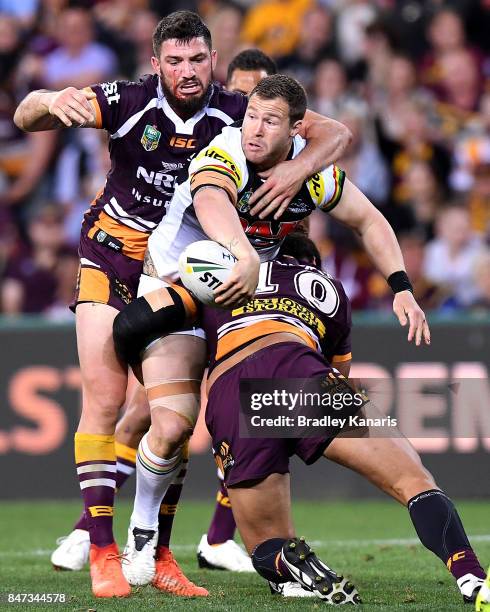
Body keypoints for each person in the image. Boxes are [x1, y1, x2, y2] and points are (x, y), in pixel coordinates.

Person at [14, 9, 351, 596]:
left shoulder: (237, 110)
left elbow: (334, 133)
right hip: (112, 259)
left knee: (173, 421)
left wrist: (296, 171)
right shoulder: (127, 100)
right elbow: (25, 115)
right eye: (175, 61)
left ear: (213, 60)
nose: (187, 71)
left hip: (184, 275)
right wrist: (49, 97)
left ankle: (158, 552)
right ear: (156, 64)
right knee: (105, 398)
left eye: (197, 59)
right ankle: (99, 549)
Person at [112, 73, 429, 588]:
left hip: (244, 290)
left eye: (269, 120)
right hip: (185, 277)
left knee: (240, 413)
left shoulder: (312, 173)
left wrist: (401, 286)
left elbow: (369, 219)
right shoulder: (225, 152)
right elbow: (213, 199)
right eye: (251, 116)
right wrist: (242, 256)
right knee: (167, 424)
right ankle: (135, 535)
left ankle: (232, 544)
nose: (253, 129)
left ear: (294, 131)